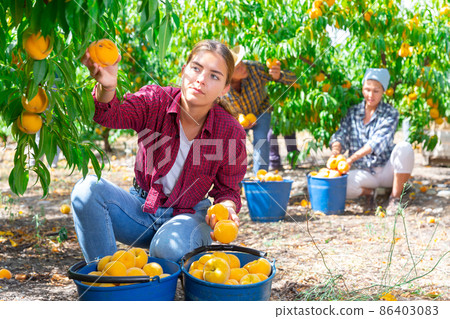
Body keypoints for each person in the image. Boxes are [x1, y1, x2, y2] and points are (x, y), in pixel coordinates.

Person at [71, 40, 247, 263]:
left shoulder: (230, 131)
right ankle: (106, 279)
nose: (201, 79)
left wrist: (227, 206)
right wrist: (108, 88)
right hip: (140, 211)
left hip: (189, 217)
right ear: (184, 71)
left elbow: (228, 190)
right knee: (86, 191)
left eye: (214, 76)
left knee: (167, 248)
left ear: (224, 88)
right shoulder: (155, 101)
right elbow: (110, 114)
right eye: (196, 68)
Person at [329, 68, 414, 215]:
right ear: (362, 88)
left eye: (376, 91)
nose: (370, 95)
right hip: (365, 172)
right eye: (367, 89)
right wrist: (335, 153)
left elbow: (376, 142)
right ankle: (370, 193)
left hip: (387, 170)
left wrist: (350, 159)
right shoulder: (353, 112)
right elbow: (340, 135)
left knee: (405, 148)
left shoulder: (390, 113)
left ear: (383, 91)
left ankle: (395, 197)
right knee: (337, 185)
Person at [223, 46, 297, 175]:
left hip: (261, 111)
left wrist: (279, 76)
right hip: (237, 118)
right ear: (229, 75)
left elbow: (294, 78)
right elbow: (221, 110)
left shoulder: (254, 69)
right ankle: (234, 184)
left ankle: (260, 179)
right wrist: (237, 121)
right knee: (233, 146)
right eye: (238, 68)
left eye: (241, 63)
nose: (243, 67)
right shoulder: (221, 85)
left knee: (261, 141)